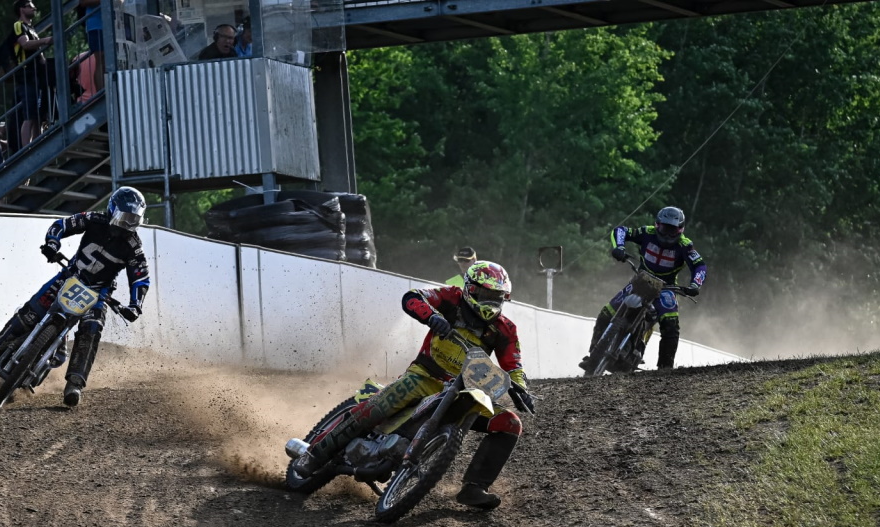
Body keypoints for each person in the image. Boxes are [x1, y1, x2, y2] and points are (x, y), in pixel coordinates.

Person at [292, 261, 536, 510]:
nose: (489, 302)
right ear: (470, 289)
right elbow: (413, 297)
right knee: (378, 406)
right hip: (424, 376)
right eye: (484, 294)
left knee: (510, 424)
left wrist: (521, 388)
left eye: (495, 297)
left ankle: (474, 488)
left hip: (465, 392)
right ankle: (315, 454)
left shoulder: (505, 329)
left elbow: (514, 365)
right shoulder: (451, 298)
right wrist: (432, 316)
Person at [0, 186, 151, 407]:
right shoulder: (93, 219)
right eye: (124, 218)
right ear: (112, 210)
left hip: (99, 293)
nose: (128, 225)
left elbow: (141, 278)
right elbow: (61, 225)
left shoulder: (134, 247)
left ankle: (75, 383)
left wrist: (135, 305)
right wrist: (53, 244)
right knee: (29, 313)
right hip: (69, 277)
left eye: (134, 220)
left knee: (91, 331)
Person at [578, 206, 707, 371]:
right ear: (657, 224)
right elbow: (621, 230)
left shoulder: (685, 246)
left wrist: (695, 284)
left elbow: (700, 266)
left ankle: (665, 370)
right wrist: (619, 247)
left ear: (680, 230)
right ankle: (594, 355)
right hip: (640, 280)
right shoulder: (647, 232)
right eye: (664, 228)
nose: (667, 234)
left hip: (665, 288)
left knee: (671, 325)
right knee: (606, 313)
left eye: (672, 230)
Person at [12, 0, 55, 148]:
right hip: (26, 75)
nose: (34, 8)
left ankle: (37, 145)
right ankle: (26, 150)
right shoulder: (19, 25)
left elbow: (37, 53)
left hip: (36, 74)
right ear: (21, 9)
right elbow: (25, 44)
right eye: (30, 5)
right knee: (29, 115)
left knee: (37, 115)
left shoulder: (32, 28)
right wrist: (46, 40)